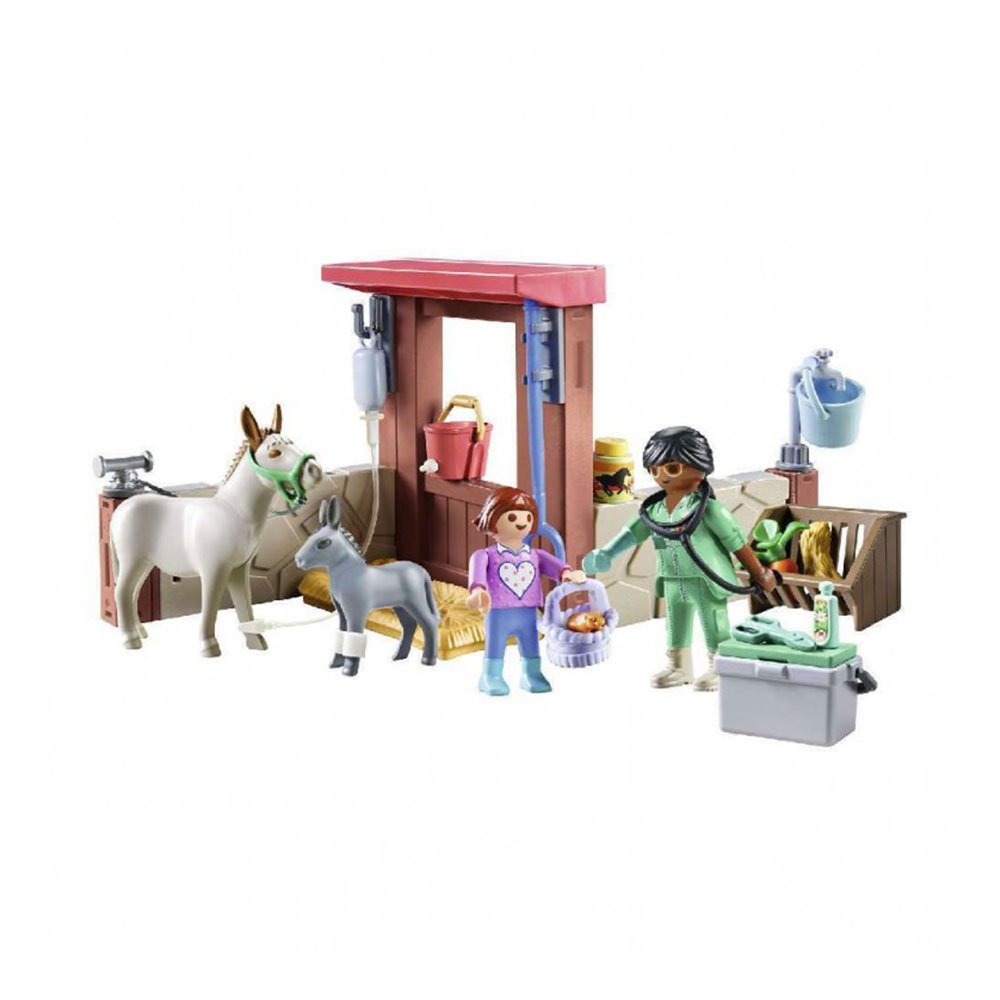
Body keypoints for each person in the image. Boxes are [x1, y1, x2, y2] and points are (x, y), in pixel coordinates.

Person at [583, 427, 777, 691]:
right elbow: (633, 532)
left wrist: (760, 573)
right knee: (676, 622)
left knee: (714, 621)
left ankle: (721, 666)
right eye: (654, 470)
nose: (661, 476)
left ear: (699, 467)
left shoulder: (709, 510)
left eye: (671, 469)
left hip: (706, 577)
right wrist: (607, 553)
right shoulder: (655, 510)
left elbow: (737, 543)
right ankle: (678, 667)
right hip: (672, 577)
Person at [467, 487, 586, 696]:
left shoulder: (534, 555)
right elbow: (477, 577)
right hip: (498, 611)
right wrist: (478, 592)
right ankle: (491, 676)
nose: (521, 522)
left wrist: (567, 573)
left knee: (530, 642)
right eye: (512, 517)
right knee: (495, 644)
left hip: (528, 610)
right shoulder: (484, 555)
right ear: (492, 518)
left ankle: (531, 674)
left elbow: (556, 567)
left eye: (527, 517)